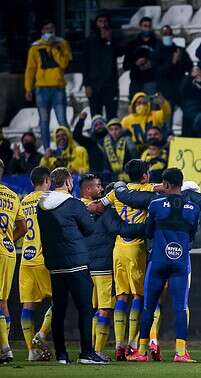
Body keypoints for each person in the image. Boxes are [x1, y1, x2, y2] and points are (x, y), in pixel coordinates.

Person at [127, 168, 200, 363]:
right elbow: (192, 235)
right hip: (180, 263)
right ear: (181, 184)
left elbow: (149, 232)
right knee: (180, 308)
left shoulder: (156, 204)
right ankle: (181, 352)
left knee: (148, 307)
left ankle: (142, 352)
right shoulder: (194, 208)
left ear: (166, 185)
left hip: (158, 261)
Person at [36, 167, 105, 364]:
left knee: (59, 310)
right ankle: (86, 353)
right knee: (85, 308)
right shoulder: (74, 204)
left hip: (55, 265)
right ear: (67, 182)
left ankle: (61, 355)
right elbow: (89, 229)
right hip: (76, 264)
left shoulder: (41, 205)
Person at [80, 176, 145, 361]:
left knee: (94, 310)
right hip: (103, 266)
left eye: (102, 186)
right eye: (97, 186)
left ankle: (90, 348)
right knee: (106, 308)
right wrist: (146, 227)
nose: (100, 190)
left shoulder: (80, 207)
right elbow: (121, 229)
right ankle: (99, 351)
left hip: (86, 265)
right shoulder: (106, 211)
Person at [100, 159, 155, 360]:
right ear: (144, 176)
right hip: (136, 247)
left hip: (118, 247)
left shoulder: (116, 192)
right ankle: (133, 343)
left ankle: (119, 346)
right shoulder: (147, 188)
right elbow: (164, 189)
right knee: (138, 296)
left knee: (121, 296)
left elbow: (99, 205)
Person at [19, 167, 53, 362]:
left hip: (25, 259)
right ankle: (41, 333)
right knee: (60, 300)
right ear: (47, 179)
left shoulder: (24, 200)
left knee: (28, 305)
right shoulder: (48, 199)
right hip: (44, 258)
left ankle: (32, 351)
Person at [24, 19, 72, 150]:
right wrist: (28, 88)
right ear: (42, 31)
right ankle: (47, 150)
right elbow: (30, 69)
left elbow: (64, 64)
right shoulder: (35, 47)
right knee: (44, 121)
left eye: (51, 28)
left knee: (62, 120)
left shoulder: (62, 44)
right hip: (41, 90)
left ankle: (68, 149)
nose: (49, 31)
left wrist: (54, 49)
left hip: (58, 88)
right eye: (46, 29)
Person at [0, 160, 28, 363]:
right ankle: (5, 347)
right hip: (8, 251)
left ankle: (4, 348)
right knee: (3, 301)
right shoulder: (11, 195)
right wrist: (9, 239)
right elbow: (23, 227)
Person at [82, 22, 120, 119]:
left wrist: (109, 40)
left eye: (105, 28)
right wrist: (87, 85)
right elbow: (85, 65)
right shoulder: (90, 42)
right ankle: (98, 134)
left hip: (111, 86)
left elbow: (120, 52)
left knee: (112, 116)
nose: (103, 31)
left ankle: (113, 134)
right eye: (101, 27)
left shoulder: (113, 42)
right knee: (96, 118)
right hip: (94, 86)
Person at [152, 25, 193, 109]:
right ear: (161, 36)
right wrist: (173, 62)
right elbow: (158, 72)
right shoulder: (156, 53)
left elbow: (189, 66)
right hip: (163, 89)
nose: (168, 36)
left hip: (179, 88)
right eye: (165, 34)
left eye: (169, 34)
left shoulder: (180, 50)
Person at [123, 17, 158, 98]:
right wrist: (136, 63)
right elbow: (125, 65)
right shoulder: (132, 44)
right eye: (145, 26)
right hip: (135, 81)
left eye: (149, 26)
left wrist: (151, 63)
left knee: (151, 108)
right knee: (135, 108)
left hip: (151, 81)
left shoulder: (157, 44)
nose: (147, 28)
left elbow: (162, 62)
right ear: (140, 26)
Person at [180, 65, 201, 137]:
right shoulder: (187, 83)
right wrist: (190, 78)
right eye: (194, 71)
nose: (196, 73)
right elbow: (183, 92)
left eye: (198, 70)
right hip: (189, 113)